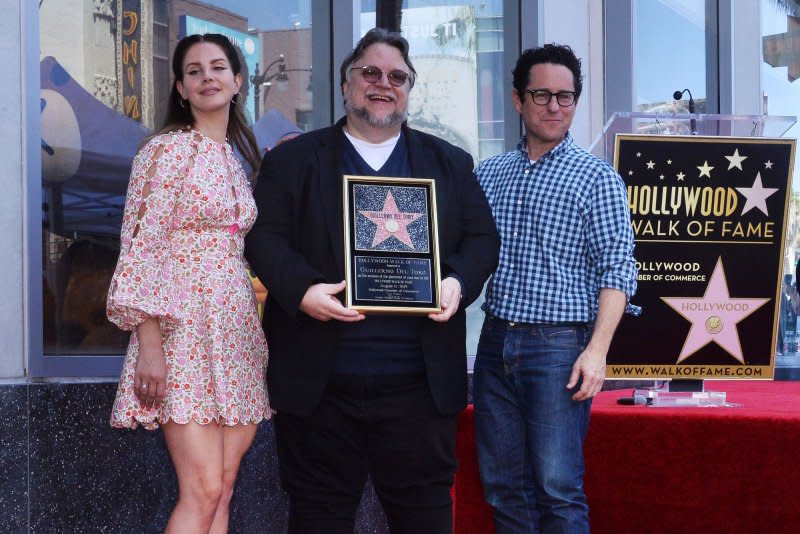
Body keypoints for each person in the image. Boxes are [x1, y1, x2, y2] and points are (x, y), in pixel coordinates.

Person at [245, 27, 499, 534]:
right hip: (321, 393)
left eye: (397, 77)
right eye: (370, 73)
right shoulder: (292, 161)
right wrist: (302, 292)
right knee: (317, 519)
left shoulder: (449, 163)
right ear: (345, 85)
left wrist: (456, 283)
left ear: (409, 88)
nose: (383, 84)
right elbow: (262, 239)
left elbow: (482, 240)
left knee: (424, 521)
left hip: (418, 393)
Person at [106, 33, 270, 533]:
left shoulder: (236, 161)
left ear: (238, 81)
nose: (207, 78)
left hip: (236, 333)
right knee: (200, 490)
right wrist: (148, 341)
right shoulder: (168, 151)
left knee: (222, 489)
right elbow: (141, 247)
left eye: (218, 67)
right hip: (183, 334)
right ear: (180, 87)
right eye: (194, 71)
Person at [473, 44, 637, 533]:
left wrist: (597, 352)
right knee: (503, 488)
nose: (553, 106)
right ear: (517, 99)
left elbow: (618, 269)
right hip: (494, 342)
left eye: (565, 97)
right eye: (541, 94)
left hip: (559, 350)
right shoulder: (488, 174)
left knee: (558, 490)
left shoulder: (597, 179)